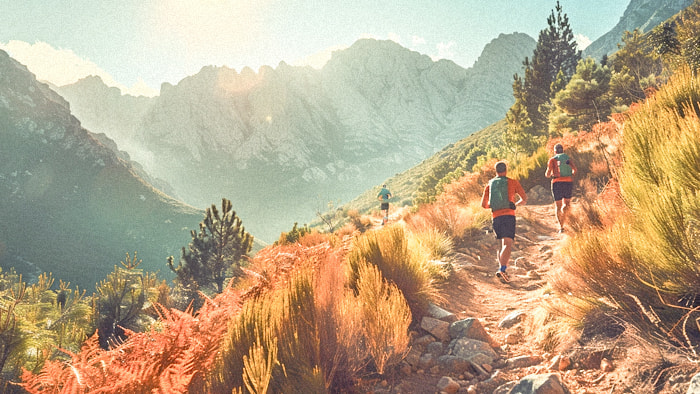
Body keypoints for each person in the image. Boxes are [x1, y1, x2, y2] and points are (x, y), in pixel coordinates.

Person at [481, 161, 527, 283]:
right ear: (506, 170)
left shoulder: (490, 185)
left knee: (500, 245)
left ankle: (501, 269)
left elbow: (484, 205)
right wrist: (513, 205)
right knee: (507, 243)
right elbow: (524, 199)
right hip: (508, 216)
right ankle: (502, 269)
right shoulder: (512, 182)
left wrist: (495, 206)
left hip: (496, 217)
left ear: (495, 171)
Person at [545, 143, 577, 233]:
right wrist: (570, 176)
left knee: (558, 206)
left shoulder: (552, 160)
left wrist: (551, 174)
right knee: (567, 204)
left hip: (557, 183)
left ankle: (561, 227)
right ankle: (568, 221)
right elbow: (575, 170)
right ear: (563, 150)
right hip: (568, 183)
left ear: (555, 151)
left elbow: (547, 174)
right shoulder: (568, 158)